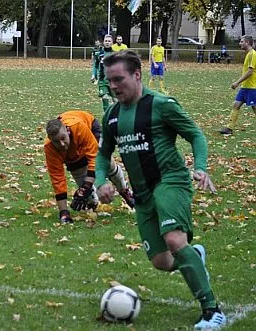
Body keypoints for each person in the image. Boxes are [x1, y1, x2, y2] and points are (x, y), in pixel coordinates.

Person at [96, 50, 226, 330]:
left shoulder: (161, 104)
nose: (114, 86)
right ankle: (194, 256)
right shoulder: (112, 115)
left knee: (174, 240)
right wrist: (100, 181)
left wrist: (200, 167)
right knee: (162, 261)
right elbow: (103, 153)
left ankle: (212, 310)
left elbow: (195, 134)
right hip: (142, 195)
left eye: (119, 79)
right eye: (110, 81)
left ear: (137, 75)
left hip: (171, 181)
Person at [44, 110, 135, 223]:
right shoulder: (49, 147)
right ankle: (92, 204)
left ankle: (124, 190)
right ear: (51, 140)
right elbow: (57, 178)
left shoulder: (78, 128)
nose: (62, 144)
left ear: (67, 131)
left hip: (90, 127)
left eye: (63, 138)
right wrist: (64, 212)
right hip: (74, 146)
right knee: (83, 183)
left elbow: (94, 159)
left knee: (106, 163)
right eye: (57, 142)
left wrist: (86, 187)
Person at [219, 35, 256, 135]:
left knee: (254, 108)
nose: (240, 43)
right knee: (236, 105)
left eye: (241, 41)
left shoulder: (252, 54)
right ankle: (229, 128)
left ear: (247, 42)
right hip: (245, 87)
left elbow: (250, 72)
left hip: (252, 87)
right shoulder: (248, 54)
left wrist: (237, 82)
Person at [92, 34, 115, 112]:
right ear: (103, 42)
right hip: (102, 80)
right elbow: (95, 65)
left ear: (112, 43)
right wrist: (93, 75)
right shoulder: (100, 53)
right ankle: (106, 115)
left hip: (113, 81)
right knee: (104, 97)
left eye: (109, 41)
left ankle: (117, 115)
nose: (107, 42)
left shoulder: (115, 54)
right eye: (106, 41)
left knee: (115, 100)